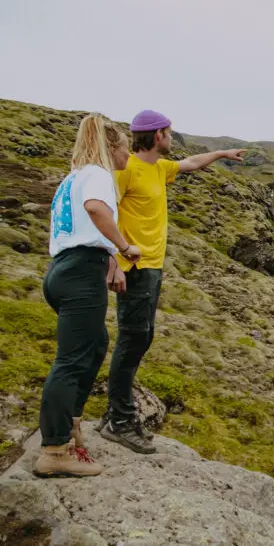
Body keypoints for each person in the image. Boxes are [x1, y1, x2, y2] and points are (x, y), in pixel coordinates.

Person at [99, 110, 244, 453]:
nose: (171, 138)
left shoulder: (160, 168)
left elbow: (192, 163)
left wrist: (222, 154)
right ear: (158, 135)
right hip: (133, 268)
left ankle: (116, 412)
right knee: (132, 339)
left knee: (142, 337)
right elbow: (103, 213)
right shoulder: (126, 170)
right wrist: (113, 262)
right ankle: (119, 420)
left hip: (152, 267)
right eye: (169, 133)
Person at [35, 114, 141, 478]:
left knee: (96, 344)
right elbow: (96, 210)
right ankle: (54, 449)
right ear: (113, 148)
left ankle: (71, 425)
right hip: (81, 275)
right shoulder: (98, 173)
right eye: (125, 148)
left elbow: (78, 225)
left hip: (63, 270)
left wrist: (107, 258)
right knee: (71, 360)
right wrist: (124, 247)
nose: (128, 155)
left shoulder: (72, 178)